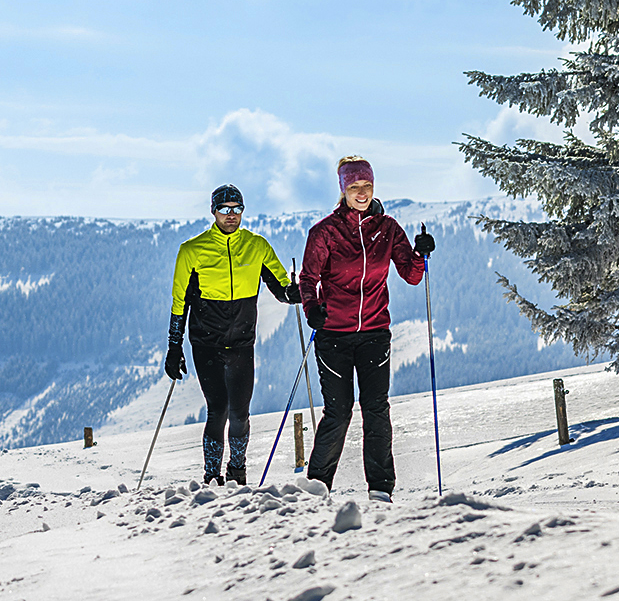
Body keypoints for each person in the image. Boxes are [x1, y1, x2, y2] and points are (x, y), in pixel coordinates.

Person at [296, 157, 435, 501]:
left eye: (367, 186)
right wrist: (312, 308)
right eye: (354, 187)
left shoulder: (387, 229)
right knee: (339, 412)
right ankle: (317, 486)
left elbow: (412, 276)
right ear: (343, 190)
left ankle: (381, 490)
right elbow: (307, 278)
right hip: (333, 337)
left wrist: (420, 253)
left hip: (375, 333)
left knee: (376, 410)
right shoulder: (325, 232)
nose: (361, 192)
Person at [165, 184, 296, 485]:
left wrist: (299, 293)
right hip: (206, 343)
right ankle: (213, 477)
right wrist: (174, 346)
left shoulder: (257, 246)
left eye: (237, 209)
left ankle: (238, 475)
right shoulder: (192, 250)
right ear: (213, 211)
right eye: (225, 209)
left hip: (241, 342)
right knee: (218, 409)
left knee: (240, 412)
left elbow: (282, 289)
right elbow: (179, 302)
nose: (231, 215)